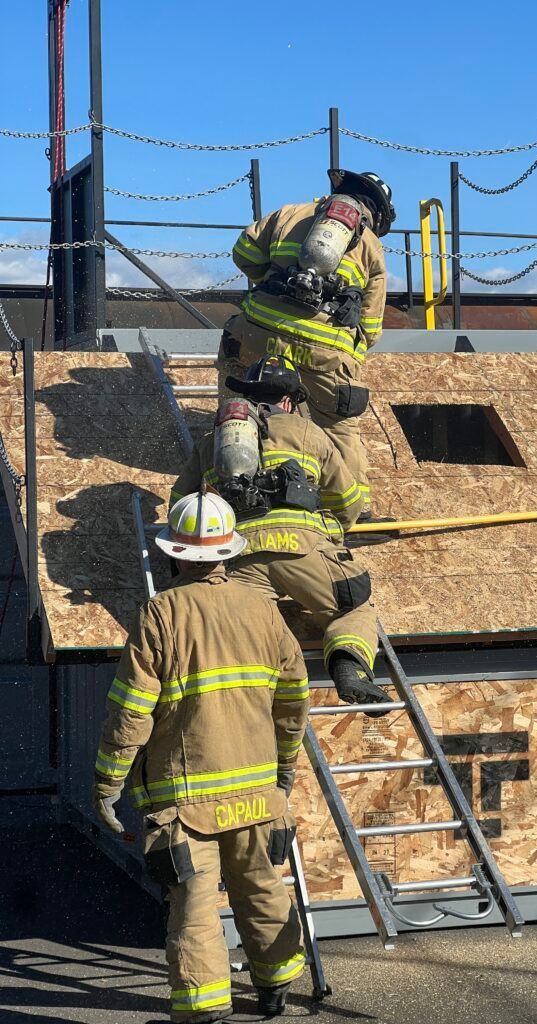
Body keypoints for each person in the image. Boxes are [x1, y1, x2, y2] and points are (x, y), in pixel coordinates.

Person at [93, 490, 308, 1021]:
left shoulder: (161, 614)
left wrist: (106, 786)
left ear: (174, 555)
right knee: (261, 888)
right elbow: (293, 698)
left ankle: (203, 1009)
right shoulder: (264, 609)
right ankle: (276, 989)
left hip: (187, 802)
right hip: (260, 795)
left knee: (193, 908)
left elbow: (131, 713)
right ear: (228, 554)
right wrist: (283, 772)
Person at [169, 355, 389, 713]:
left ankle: (253, 694)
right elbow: (348, 502)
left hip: (237, 557)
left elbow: (180, 503)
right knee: (353, 607)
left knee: (245, 626)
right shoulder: (308, 433)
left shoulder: (213, 442)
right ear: (289, 401)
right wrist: (331, 528)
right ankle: (348, 667)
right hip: (303, 551)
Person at [218, 169, 395, 517]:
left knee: (238, 409)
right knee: (338, 425)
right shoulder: (372, 247)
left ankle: (226, 501)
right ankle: (353, 515)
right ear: (376, 213)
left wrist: (272, 281)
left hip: (256, 334)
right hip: (323, 354)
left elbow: (244, 255)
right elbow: (371, 326)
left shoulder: (287, 213)